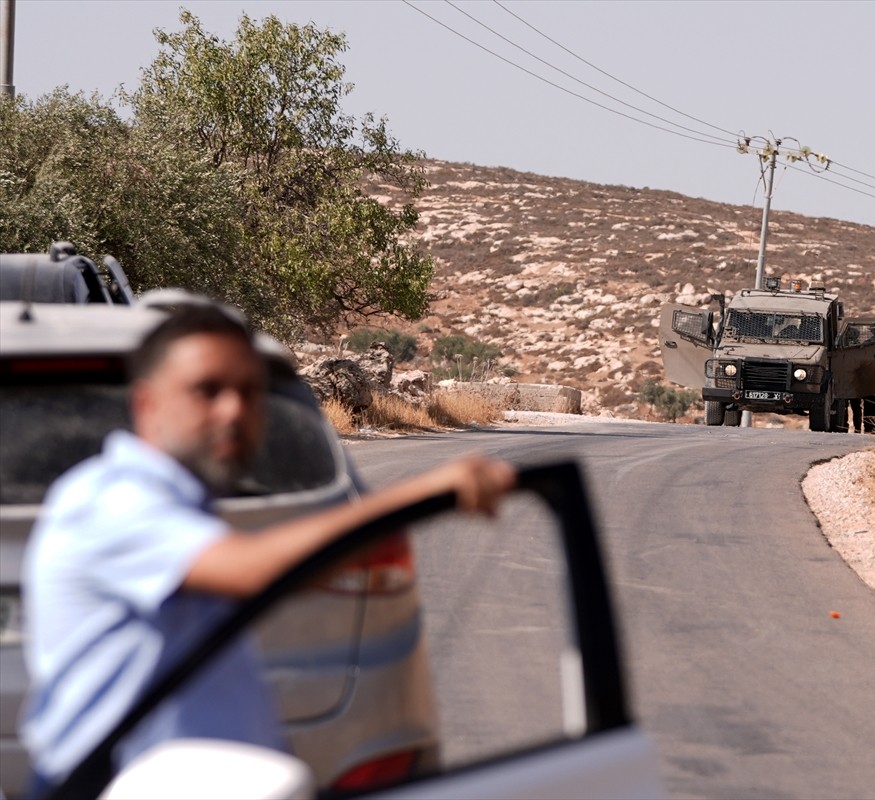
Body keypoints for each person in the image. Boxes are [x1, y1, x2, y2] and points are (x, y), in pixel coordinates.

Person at [20, 303, 516, 797]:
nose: (233, 411)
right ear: (146, 405)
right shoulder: (112, 499)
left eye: (250, 393)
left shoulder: (182, 509)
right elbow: (256, 572)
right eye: (207, 391)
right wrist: (426, 493)